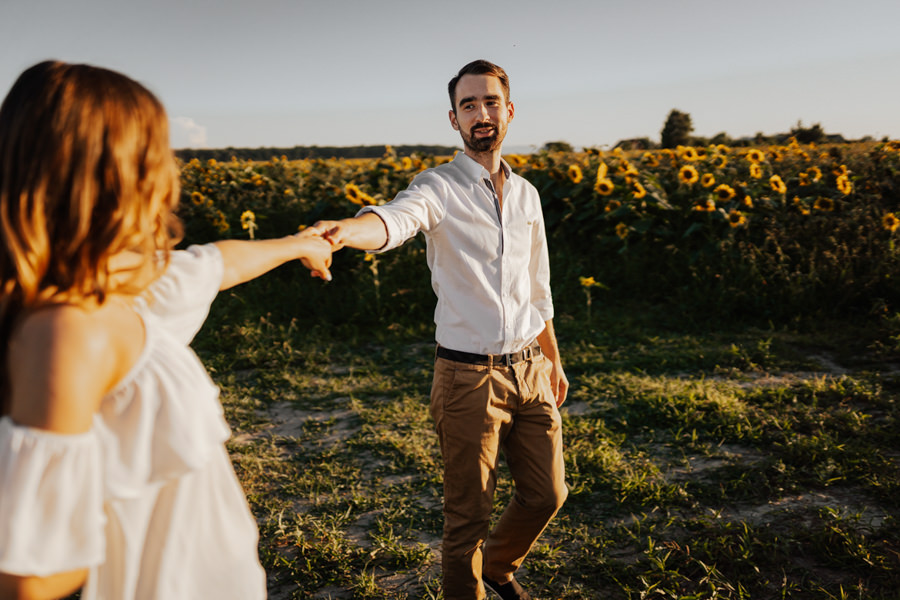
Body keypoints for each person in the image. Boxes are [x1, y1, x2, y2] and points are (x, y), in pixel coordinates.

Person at [0, 61, 332, 600]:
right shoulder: (69, 328)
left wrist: (300, 243)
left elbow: (215, 264)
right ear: (114, 170)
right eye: (155, 149)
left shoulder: (113, 282)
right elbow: (31, 576)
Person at [310, 59, 568, 600]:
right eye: (468, 105)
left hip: (530, 367)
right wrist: (345, 232)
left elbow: (536, 286)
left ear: (509, 111)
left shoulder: (527, 195)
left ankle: (497, 567)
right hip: (468, 379)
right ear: (453, 120)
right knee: (466, 520)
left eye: (490, 102)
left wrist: (553, 358)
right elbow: (396, 219)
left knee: (548, 494)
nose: (481, 114)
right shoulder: (439, 187)